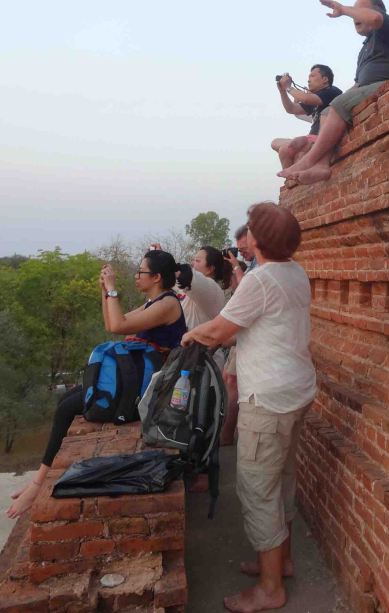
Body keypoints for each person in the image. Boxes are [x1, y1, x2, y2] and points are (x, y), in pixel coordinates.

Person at [181, 202, 316, 613]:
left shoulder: (260, 280)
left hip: (268, 399)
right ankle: (280, 561)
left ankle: (270, 588)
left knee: (258, 488)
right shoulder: (295, 272)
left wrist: (189, 338)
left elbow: (221, 330)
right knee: (282, 479)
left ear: (257, 241)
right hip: (296, 390)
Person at [7, 250, 186, 519]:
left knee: (69, 409)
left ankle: (38, 484)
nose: (137, 277)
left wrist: (113, 289)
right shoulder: (154, 302)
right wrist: (105, 291)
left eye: (141, 272)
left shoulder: (168, 304)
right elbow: (112, 323)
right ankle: (43, 477)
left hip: (151, 391)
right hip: (139, 381)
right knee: (66, 401)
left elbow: (117, 325)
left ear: (157, 277)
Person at [277, 0, 389, 185]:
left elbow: (375, 18)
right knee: (330, 109)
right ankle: (321, 164)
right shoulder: (366, 47)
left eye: (360, 10)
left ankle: (308, 161)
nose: (355, 16)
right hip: (370, 86)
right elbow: (358, 84)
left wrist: (343, 9)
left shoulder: (387, 27)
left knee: (337, 104)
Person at [218, 224, 257, 446]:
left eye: (243, 249)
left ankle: (226, 435)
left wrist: (235, 267)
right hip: (239, 338)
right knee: (229, 379)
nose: (241, 253)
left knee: (232, 381)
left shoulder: (258, 272)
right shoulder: (254, 267)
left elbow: (246, 293)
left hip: (244, 338)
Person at [271, 65, 342, 169]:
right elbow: (291, 109)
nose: (308, 80)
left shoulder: (332, 91)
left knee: (284, 150)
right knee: (275, 143)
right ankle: (292, 181)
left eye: (312, 76)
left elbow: (305, 98)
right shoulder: (314, 98)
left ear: (325, 79)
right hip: (310, 138)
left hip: (320, 138)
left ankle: (304, 144)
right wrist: (282, 92)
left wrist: (288, 87)